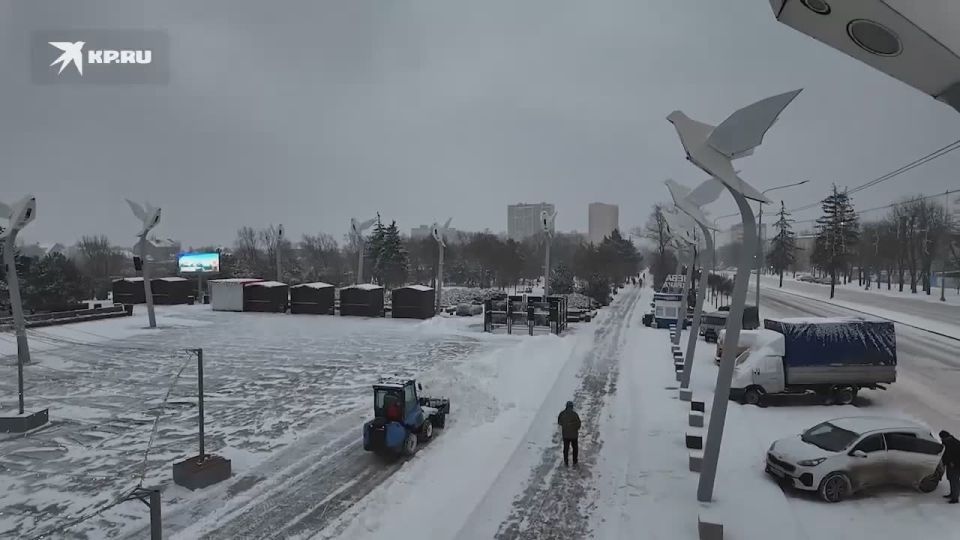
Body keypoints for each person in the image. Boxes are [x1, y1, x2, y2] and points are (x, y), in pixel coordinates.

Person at [557, 401, 581, 467]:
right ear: (572, 406)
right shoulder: (575, 414)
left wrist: (565, 426)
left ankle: (566, 462)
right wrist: (574, 428)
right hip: (574, 436)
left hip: (565, 435)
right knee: (575, 448)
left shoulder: (562, 413)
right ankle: (575, 461)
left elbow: (559, 422)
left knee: (566, 449)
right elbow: (579, 424)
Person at [941, 431, 960, 503]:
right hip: (950, 464)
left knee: (954, 481)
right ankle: (952, 494)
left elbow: (956, 455)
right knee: (951, 480)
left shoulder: (954, 443)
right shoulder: (948, 441)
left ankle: (955, 498)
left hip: (956, 466)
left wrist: (954, 463)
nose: (941, 440)